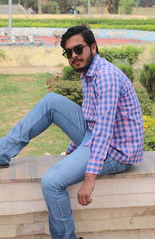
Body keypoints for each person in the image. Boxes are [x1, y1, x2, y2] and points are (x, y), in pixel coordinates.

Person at [0, 25, 144, 239]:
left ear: (93, 47)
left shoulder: (106, 77)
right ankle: (2, 151)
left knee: (52, 182)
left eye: (78, 49)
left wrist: (89, 178)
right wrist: (73, 150)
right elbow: (90, 117)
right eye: (69, 52)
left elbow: (103, 130)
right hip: (96, 136)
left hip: (116, 151)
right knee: (51, 102)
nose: (74, 56)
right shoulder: (88, 73)